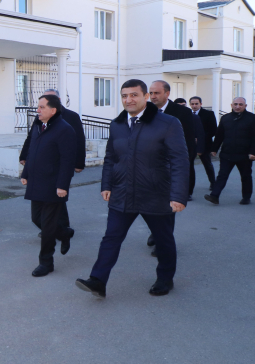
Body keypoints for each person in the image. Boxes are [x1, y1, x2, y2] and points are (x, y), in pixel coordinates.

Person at [75, 79, 188, 298]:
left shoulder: (168, 123)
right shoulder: (117, 124)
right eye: (124, 96)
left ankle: (165, 278)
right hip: (122, 192)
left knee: (163, 240)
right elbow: (111, 157)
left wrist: (178, 195)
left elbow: (180, 161)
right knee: (111, 237)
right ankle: (98, 280)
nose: (129, 100)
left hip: (156, 193)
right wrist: (106, 184)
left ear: (146, 96)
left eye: (134, 95)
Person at [20, 94, 76, 277]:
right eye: (38, 106)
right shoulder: (38, 125)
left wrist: (62, 185)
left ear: (53, 110)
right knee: (36, 219)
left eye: (42, 107)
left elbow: (67, 160)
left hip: (53, 184)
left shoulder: (64, 129)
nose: (38, 110)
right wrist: (25, 173)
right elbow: (32, 151)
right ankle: (64, 233)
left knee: (48, 225)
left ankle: (46, 262)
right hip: (37, 182)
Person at [145, 80, 193, 252]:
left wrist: (183, 166)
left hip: (170, 168)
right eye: (151, 93)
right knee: (150, 205)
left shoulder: (183, 113)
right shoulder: (145, 111)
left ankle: (162, 243)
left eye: (156, 93)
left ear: (167, 93)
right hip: (149, 167)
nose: (153, 96)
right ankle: (155, 232)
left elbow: (188, 140)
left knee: (166, 208)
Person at [203, 97, 255, 205]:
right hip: (227, 153)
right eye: (235, 104)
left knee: (245, 176)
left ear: (245, 106)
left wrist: (254, 152)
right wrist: (214, 149)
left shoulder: (253, 118)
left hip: (244, 154)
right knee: (222, 175)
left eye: (240, 104)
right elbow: (219, 135)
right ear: (231, 105)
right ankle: (214, 196)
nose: (237, 106)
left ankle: (246, 197)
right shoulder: (226, 118)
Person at [190, 96, 218, 191]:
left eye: (196, 104)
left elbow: (213, 130)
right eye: (192, 104)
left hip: (205, 144)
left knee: (207, 164)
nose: (194, 106)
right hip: (190, 144)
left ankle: (213, 183)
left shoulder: (208, 114)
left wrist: (200, 138)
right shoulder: (188, 114)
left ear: (201, 104)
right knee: (189, 165)